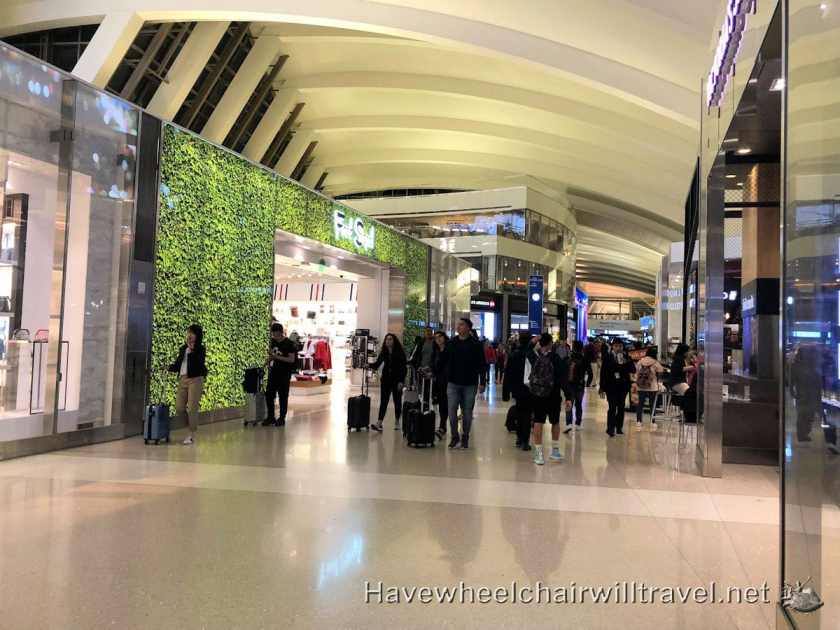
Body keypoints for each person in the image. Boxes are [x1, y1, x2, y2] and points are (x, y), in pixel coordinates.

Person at [446, 318, 487, 449]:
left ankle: (465, 436)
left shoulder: (476, 344)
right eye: (458, 325)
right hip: (453, 382)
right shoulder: (452, 342)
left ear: (468, 328)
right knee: (452, 411)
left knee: (467, 412)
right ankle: (454, 436)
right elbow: (444, 360)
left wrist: (482, 382)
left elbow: (482, 364)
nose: (458, 327)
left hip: (470, 384)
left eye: (461, 325)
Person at [167, 324, 207, 445]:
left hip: (195, 379)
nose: (189, 336)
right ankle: (189, 427)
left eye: (192, 333)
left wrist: (192, 351)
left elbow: (200, 364)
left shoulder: (200, 349)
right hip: (183, 379)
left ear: (197, 335)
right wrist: (169, 367)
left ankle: (191, 434)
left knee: (192, 407)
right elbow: (178, 364)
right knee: (179, 407)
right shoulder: (183, 348)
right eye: (188, 333)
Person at [528, 333, 565, 465]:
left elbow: (526, 349)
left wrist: (534, 341)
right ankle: (555, 451)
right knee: (555, 422)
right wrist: (568, 396)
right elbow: (561, 377)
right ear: (550, 343)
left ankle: (538, 453)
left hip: (538, 394)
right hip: (553, 394)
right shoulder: (555, 358)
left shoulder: (534, 356)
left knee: (538, 421)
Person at [370, 333, 408, 432]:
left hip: (397, 380)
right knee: (383, 401)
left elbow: (403, 368)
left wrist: (401, 381)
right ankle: (379, 423)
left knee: (397, 401)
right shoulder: (384, 352)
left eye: (390, 339)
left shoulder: (400, 353)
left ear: (394, 341)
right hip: (386, 380)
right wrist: (368, 365)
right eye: (387, 339)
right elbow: (376, 365)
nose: (388, 341)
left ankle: (397, 421)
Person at [262, 323, 297, 427]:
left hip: (284, 374)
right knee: (269, 395)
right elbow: (272, 356)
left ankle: (282, 417)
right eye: (272, 333)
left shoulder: (289, 344)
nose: (273, 335)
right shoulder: (272, 342)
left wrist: (276, 357)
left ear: (280, 332)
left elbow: (291, 359)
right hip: (273, 372)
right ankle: (270, 417)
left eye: (275, 333)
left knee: (283, 396)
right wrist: (264, 365)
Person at [503, 332, 533, 451]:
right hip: (530, 389)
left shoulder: (514, 355)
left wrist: (506, 391)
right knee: (527, 414)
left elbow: (508, 373)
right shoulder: (532, 355)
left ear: (519, 341)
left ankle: (519, 438)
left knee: (520, 412)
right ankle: (525, 441)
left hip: (517, 389)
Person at [599, 338, 634, 437]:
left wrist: (627, 361)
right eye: (616, 346)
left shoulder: (626, 357)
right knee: (612, 407)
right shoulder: (607, 357)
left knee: (621, 408)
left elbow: (633, 370)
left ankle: (619, 428)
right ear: (612, 347)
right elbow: (603, 372)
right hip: (611, 387)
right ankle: (610, 428)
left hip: (623, 387)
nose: (618, 348)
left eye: (620, 346)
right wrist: (602, 387)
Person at [635, 347, 665, 429]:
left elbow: (636, 371)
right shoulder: (655, 362)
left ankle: (639, 421)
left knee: (640, 404)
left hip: (641, 386)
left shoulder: (640, 361)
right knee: (652, 405)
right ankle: (652, 422)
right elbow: (661, 372)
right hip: (652, 386)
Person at [564, 340, 587, 433]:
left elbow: (564, 371)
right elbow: (589, 372)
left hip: (570, 385)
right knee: (579, 404)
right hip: (580, 385)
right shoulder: (584, 359)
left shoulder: (569, 358)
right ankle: (578, 424)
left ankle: (569, 423)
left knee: (569, 403)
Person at [432, 331, 450, 438]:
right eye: (436, 338)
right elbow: (434, 365)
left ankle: (443, 426)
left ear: (444, 337)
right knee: (442, 404)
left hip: (449, 381)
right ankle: (442, 427)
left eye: (440, 337)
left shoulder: (449, 349)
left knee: (446, 404)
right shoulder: (436, 351)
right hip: (439, 381)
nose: (438, 339)